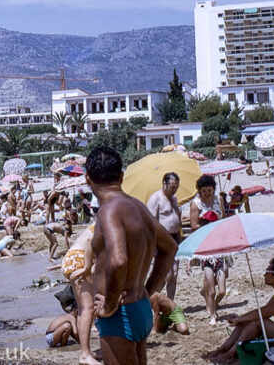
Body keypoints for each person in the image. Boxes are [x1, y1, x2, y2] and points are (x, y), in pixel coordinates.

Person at [86, 146, 177, 365]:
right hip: (140, 307)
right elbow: (170, 248)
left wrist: (108, 305)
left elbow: (118, 260)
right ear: (121, 176)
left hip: (119, 313)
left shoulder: (108, 210)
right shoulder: (139, 207)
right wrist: (147, 290)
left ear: (87, 179)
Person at [207, 257, 274, 360]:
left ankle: (230, 353)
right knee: (250, 320)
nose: (264, 274)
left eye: (267, 271)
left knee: (257, 321)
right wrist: (241, 319)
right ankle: (222, 349)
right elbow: (261, 313)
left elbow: (261, 314)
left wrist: (240, 319)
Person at [47, 223, 98, 365]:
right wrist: (88, 267)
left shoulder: (107, 215)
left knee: (84, 310)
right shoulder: (110, 217)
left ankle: (86, 352)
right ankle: (85, 354)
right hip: (79, 259)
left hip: (73, 259)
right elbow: (90, 241)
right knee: (88, 308)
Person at [190, 175, 227, 325]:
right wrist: (207, 223)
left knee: (225, 273)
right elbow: (193, 225)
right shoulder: (196, 204)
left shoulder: (218, 199)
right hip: (204, 240)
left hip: (219, 238)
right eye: (204, 191)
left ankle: (208, 296)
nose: (207, 193)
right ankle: (208, 302)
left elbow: (223, 216)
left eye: (209, 190)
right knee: (208, 274)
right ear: (199, 191)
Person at [146, 172, 182, 299]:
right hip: (161, 240)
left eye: (176, 187)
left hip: (175, 238)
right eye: (172, 187)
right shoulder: (155, 198)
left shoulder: (174, 198)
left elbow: (177, 217)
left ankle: (170, 301)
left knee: (174, 274)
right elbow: (150, 222)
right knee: (164, 274)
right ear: (164, 183)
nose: (174, 190)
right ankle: (152, 298)